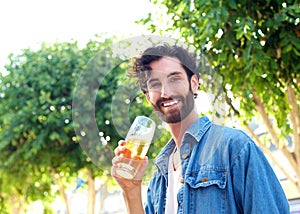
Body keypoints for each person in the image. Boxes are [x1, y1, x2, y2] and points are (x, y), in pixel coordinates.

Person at [111, 43, 290, 213]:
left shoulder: (234, 147)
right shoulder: (160, 173)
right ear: (149, 96)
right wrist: (130, 189)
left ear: (194, 83)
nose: (165, 92)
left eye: (174, 79)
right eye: (155, 84)